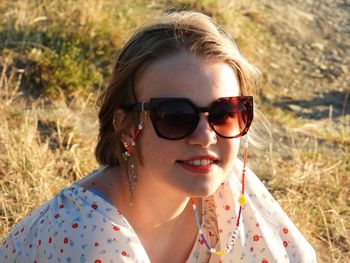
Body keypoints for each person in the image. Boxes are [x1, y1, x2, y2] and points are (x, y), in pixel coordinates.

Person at [0, 11, 316, 263]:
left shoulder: (229, 189)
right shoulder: (89, 234)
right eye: (176, 117)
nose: (205, 137)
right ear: (126, 127)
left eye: (224, 113)